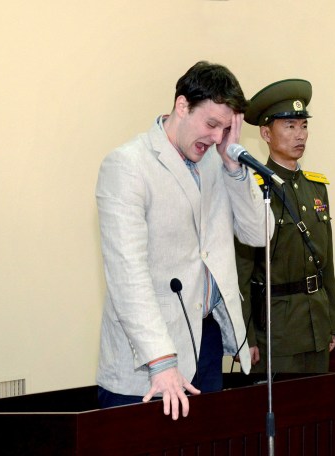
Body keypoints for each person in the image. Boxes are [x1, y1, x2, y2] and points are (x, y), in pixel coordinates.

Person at [95, 61, 269, 419]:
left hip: (205, 343)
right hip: (146, 358)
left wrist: (235, 169)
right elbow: (128, 277)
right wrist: (161, 361)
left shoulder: (218, 161)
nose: (218, 137)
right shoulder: (127, 166)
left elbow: (257, 233)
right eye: (211, 124)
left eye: (226, 128)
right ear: (182, 105)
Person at [235, 79, 335, 373]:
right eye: (290, 126)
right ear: (266, 133)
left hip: (315, 325)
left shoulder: (316, 188)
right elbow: (242, 271)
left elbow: (327, 263)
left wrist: (330, 322)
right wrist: (246, 337)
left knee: (318, 410)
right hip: (275, 331)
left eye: (303, 125)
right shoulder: (252, 190)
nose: (300, 134)